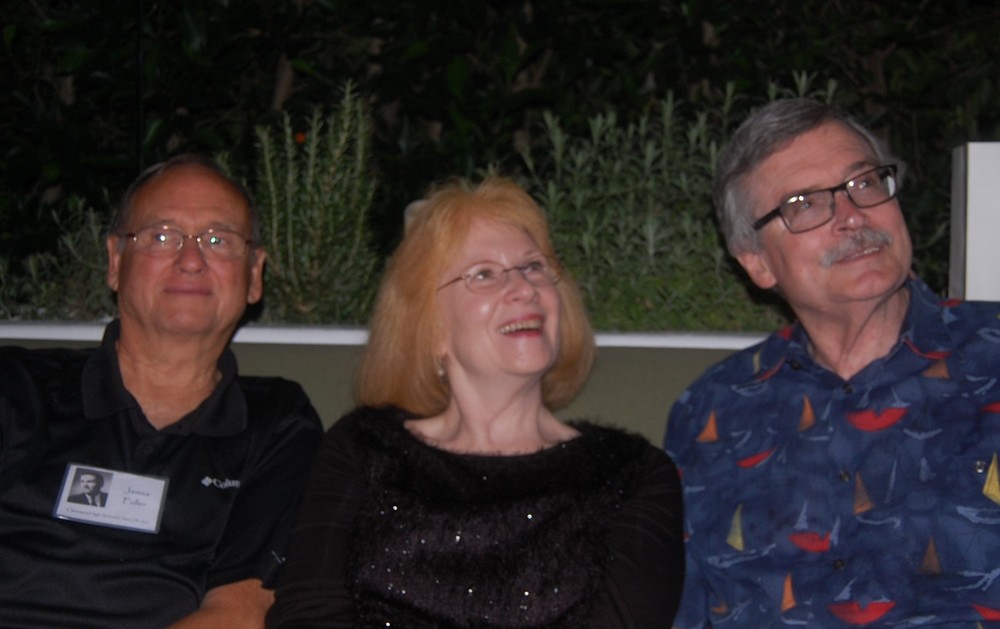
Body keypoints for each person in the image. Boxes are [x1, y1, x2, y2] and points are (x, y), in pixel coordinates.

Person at [267, 177, 685, 627]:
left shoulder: (632, 475)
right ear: (431, 327)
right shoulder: (361, 450)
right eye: (484, 274)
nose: (524, 288)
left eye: (533, 267)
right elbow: (309, 615)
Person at [665, 97, 1000, 627]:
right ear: (757, 262)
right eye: (804, 204)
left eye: (864, 182)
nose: (852, 216)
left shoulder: (991, 354)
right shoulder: (713, 411)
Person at [0, 154, 322, 628]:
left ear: (254, 274)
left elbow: (238, 613)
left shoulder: (277, 423)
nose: (191, 261)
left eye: (218, 240)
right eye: (162, 236)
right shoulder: (16, 386)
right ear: (116, 261)